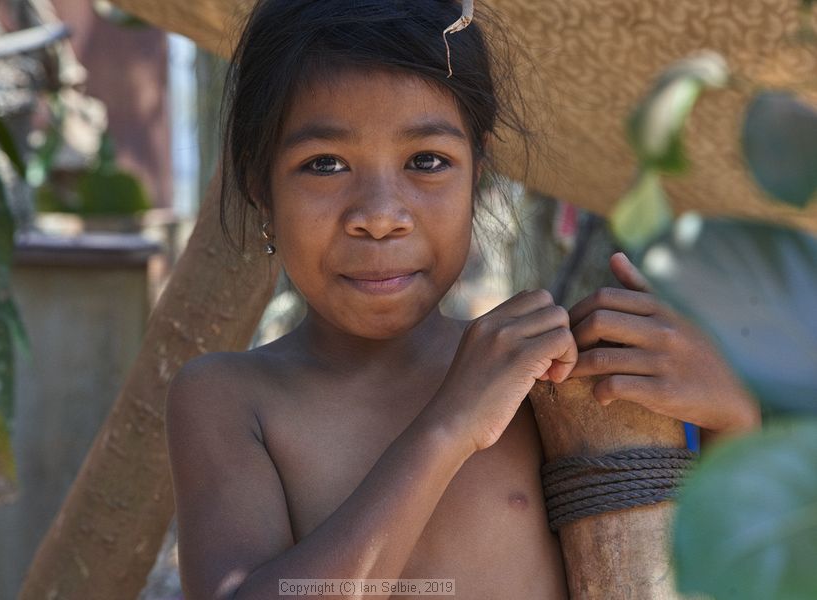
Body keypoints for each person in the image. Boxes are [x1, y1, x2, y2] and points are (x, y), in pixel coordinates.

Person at [165, 1, 762, 598]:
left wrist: (733, 421)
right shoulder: (229, 399)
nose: (378, 217)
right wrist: (449, 428)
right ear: (258, 184)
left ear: (478, 172)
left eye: (427, 161)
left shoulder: (547, 387)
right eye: (325, 163)